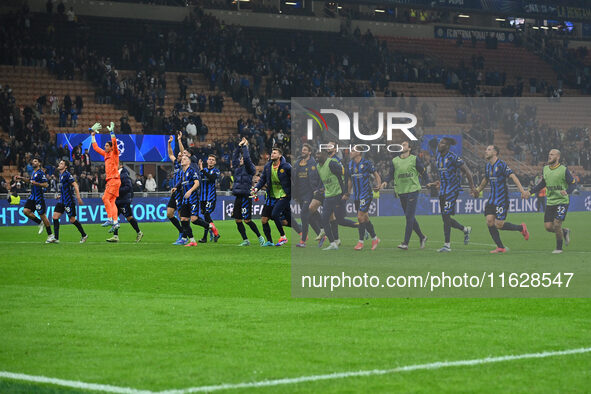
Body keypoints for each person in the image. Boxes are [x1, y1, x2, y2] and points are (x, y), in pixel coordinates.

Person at [472, 145, 530, 253]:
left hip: (502, 200)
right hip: (492, 199)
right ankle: (500, 247)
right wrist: (478, 190)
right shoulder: (488, 166)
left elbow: (513, 176)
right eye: (486, 149)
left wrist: (522, 191)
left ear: (495, 152)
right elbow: (485, 179)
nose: (486, 151)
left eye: (488, 150)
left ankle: (521, 228)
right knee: (489, 221)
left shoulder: (502, 165)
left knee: (499, 224)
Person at [426, 137, 476, 252]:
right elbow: (443, 176)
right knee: (446, 218)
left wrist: (472, 187)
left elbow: (468, 172)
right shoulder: (438, 157)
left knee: (446, 215)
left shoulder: (453, 157)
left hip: (452, 191)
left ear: (447, 146)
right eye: (439, 143)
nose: (439, 145)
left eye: (442, 143)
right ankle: (465, 229)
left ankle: (447, 245)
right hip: (443, 191)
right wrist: (434, 183)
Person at [529, 149, 577, 254]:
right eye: (549, 154)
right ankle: (565, 232)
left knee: (557, 224)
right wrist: (530, 192)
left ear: (558, 157)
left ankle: (559, 248)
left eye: (552, 154)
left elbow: (573, 184)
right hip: (550, 202)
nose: (549, 156)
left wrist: (567, 191)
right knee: (548, 227)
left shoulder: (563, 170)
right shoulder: (545, 169)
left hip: (562, 201)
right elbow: (542, 184)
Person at [383, 141, 428, 250]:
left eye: (404, 145)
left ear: (409, 148)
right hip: (401, 191)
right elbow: (391, 174)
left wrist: (428, 182)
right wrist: (385, 181)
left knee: (409, 217)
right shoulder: (395, 160)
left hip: (413, 190)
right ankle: (422, 237)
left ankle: (405, 243)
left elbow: (423, 172)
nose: (402, 146)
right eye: (401, 144)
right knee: (410, 217)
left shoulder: (414, 159)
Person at [252, 147, 292, 247]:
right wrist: (256, 188)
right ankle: (269, 241)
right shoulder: (267, 166)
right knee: (264, 219)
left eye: (274, 153)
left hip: (282, 196)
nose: (272, 154)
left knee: (283, 220)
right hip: (270, 196)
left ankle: (295, 231)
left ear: (280, 156)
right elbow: (262, 180)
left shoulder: (286, 167)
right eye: (272, 152)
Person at [232, 137, 265, 246]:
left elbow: (246, 158)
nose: (241, 159)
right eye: (240, 158)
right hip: (238, 195)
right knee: (238, 220)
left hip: (246, 195)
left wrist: (245, 147)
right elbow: (234, 157)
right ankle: (245, 240)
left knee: (247, 220)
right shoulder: (237, 167)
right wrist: (239, 146)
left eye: (242, 158)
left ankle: (260, 237)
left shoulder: (250, 168)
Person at [46, 159, 87, 244]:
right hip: (62, 201)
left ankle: (84, 235)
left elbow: (75, 185)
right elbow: (66, 188)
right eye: (60, 163)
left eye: (61, 163)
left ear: (65, 166)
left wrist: (78, 198)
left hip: (69, 201)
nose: (59, 164)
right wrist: (60, 195)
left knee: (72, 220)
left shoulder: (67, 175)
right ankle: (56, 238)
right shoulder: (60, 175)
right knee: (55, 217)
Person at [90, 122, 121, 234]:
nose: (105, 147)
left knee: (104, 198)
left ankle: (109, 219)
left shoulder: (114, 153)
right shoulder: (106, 154)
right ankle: (116, 222)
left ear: (111, 147)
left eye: (107, 146)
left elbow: (114, 143)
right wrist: (93, 136)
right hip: (113, 181)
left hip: (113, 180)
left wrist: (111, 132)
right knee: (112, 202)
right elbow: (96, 148)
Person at [349, 150, 381, 251]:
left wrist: (379, 184)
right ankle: (375, 239)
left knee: (359, 217)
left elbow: (376, 174)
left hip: (366, 193)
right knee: (365, 218)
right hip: (356, 195)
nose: (351, 152)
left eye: (353, 150)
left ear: (359, 153)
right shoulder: (350, 164)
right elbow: (350, 179)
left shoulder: (366, 163)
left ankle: (360, 242)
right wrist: (347, 192)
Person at [315, 149, 347, 251]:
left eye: (319, 154)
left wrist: (345, 192)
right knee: (324, 220)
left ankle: (363, 226)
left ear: (325, 155)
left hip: (338, 195)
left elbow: (344, 173)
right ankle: (333, 243)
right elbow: (325, 180)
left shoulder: (332, 163)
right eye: (316, 154)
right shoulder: (318, 166)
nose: (317, 155)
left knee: (340, 220)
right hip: (328, 196)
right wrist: (321, 188)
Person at [293, 144, 323, 248]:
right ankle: (321, 233)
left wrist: (318, 190)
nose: (303, 151)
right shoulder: (297, 163)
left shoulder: (313, 163)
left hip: (310, 193)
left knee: (303, 215)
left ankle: (303, 241)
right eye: (302, 149)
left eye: (305, 150)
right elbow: (294, 180)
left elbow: (319, 178)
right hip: (300, 194)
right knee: (309, 218)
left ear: (310, 152)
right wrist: (295, 194)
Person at [17, 157, 53, 241]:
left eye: (35, 161)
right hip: (32, 196)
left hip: (39, 198)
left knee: (43, 216)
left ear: (39, 163)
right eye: (33, 161)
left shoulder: (41, 173)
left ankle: (50, 235)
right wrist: (21, 178)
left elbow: (46, 185)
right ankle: (40, 223)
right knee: (25, 211)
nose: (33, 162)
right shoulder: (34, 172)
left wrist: (36, 183)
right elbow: (30, 181)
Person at [107, 163, 144, 243]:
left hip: (124, 200)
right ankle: (115, 236)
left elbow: (128, 187)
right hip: (118, 200)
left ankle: (139, 232)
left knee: (129, 217)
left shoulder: (124, 175)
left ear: (120, 165)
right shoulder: (117, 174)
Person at [166, 135, 186, 244]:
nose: (178, 156)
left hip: (182, 192)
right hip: (175, 192)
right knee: (169, 214)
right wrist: (169, 143)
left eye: (180, 155)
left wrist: (179, 140)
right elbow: (170, 154)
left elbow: (183, 153)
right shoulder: (177, 165)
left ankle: (184, 236)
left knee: (181, 215)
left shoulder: (185, 165)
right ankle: (181, 231)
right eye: (178, 155)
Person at [198, 155, 221, 243]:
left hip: (210, 197)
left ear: (215, 162)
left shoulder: (216, 171)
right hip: (202, 198)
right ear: (207, 161)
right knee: (206, 218)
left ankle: (215, 233)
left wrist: (202, 169)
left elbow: (212, 178)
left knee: (207, 214)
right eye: (209, 159)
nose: (211, 161)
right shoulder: (202, 171)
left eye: (213, 160)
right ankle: (206, 237)